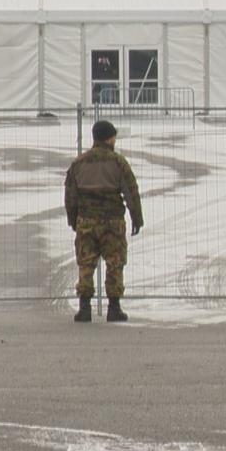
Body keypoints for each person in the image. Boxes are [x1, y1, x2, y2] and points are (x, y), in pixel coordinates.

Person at [64, 119, 143, 323]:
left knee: (86, 263)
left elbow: (70, 196)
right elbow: (131, 192)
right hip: (112, 221)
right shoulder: (118, 162)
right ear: (109, 138)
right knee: (115, 263)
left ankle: (84, 308)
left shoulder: (79, 163)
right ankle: (114, 307)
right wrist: (137, 218)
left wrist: (74, 220)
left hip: (86, 221)